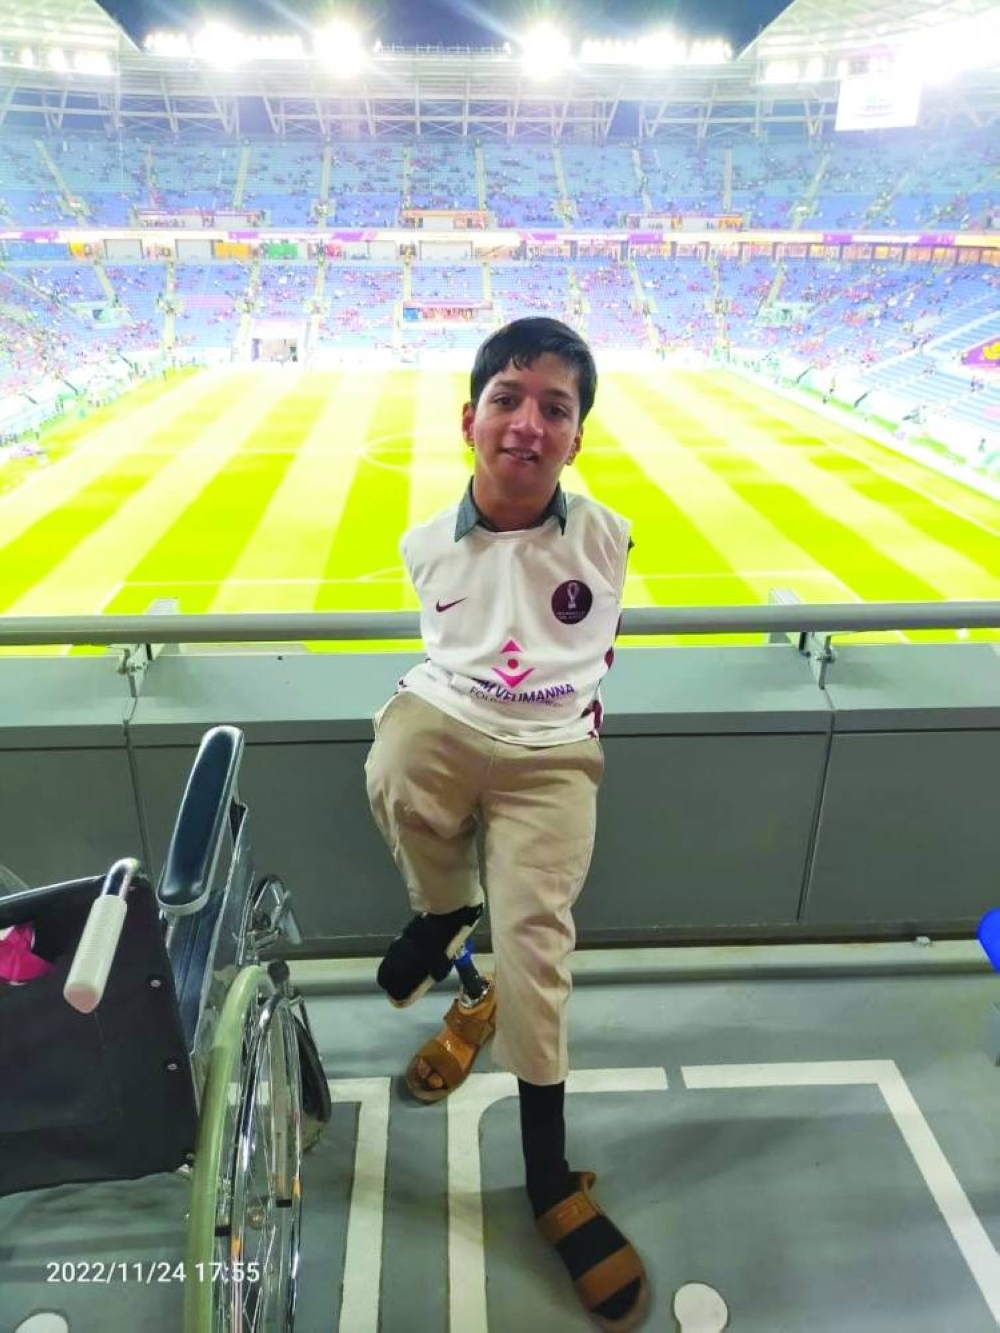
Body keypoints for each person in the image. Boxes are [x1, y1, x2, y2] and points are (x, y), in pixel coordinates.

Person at [364, 316, 647, 1329]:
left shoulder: (604, 536)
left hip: (554, 758)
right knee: (394, 758)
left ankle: (544, 1176)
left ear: (574, 436)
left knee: (533, 954)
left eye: (555, 408)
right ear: (469, 418)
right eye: (508, 400)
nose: (528, 424)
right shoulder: (423, 544)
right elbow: (453, 647)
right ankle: (443, 912)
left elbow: (584, 655)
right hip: (454, 719)